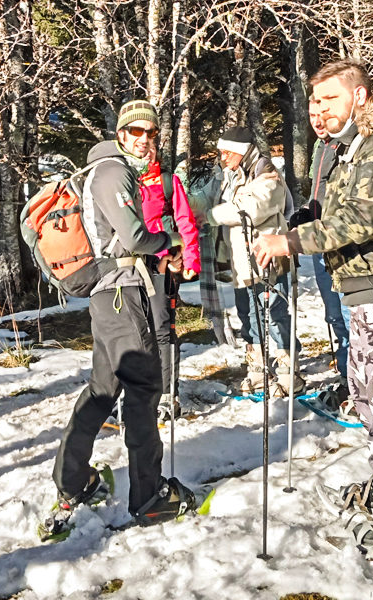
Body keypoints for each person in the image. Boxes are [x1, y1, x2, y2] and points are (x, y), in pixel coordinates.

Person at [254, 60, 373, 546]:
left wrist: (290, 241)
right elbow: (342, 212)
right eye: (314, 103)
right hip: (364, 284)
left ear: (359, 97)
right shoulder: (351, 148)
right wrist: (308, 216)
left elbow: (359, 222)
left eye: (328, 100)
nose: (318, 111)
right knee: (368, 392)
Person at [43, 100, 196, 539]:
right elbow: (132, 237)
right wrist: (167, 239)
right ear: (120, 134)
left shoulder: (106, 170)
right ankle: (149, 498)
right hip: (120, 293)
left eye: (150, 133)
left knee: (103, 389)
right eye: (135, 132)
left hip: (110, 293)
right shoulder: (113, 172)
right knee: (144, 388)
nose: (143, 139)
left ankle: (74, 484)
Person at [208, 126, 304, 397]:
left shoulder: (267, 174)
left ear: (241, 152)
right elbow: (205, 198)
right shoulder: (229, 176)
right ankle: (258, 368)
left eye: (227, 153)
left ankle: (289, 370)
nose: (223, 158)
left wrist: (212, 215)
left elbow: (252, 208)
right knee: (248, 316)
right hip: (242, 262)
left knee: (275, 314)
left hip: (268, 259)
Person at [288, 98, 351, 410]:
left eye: (323, 113)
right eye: (312, 115)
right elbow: (320, 192)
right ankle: (346, 374)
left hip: (342, 241)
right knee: (334, 313)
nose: (317, 120)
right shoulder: (320, 147)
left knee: (350, 313)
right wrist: (305, 214)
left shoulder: (348, 145)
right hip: (320, 239)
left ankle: (357, 380)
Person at [138, 136, 201, 418]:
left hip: (163, 264)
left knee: (162, 329)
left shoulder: (166, 182)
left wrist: (191, 259)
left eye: (152, 150)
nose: (146, 154)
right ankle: (139, 392)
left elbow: (185, 221)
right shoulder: (123, 181)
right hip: (128, 266)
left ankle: (167, 395)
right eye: (143, 150)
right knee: (135, 331)